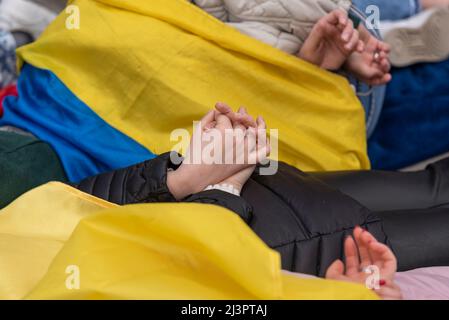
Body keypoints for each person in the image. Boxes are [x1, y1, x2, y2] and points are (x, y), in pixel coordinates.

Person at [72, 103, 449, 299]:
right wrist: (219, 188)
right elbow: (177, 283)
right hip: (296, 249)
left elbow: (76, 203)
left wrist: (180, 174)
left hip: (267, 190)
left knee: (433, 184)